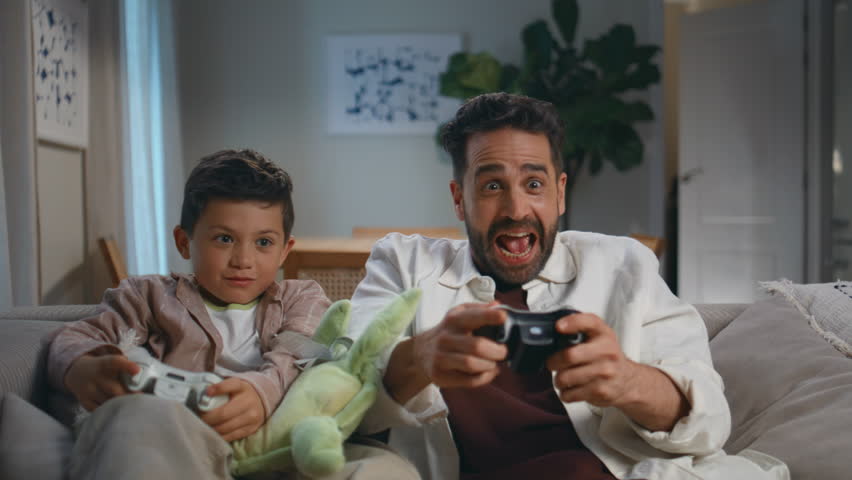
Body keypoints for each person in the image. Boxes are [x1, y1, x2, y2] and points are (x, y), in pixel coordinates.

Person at [347, 93, 789, 480]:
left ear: (560, 194)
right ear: (459, 198)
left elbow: (710, 423)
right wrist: (420, 357)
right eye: (492, 185)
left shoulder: (623, 264)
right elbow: (334, 396)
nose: (516, 209)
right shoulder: (403, 263)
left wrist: (626, 381)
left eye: (533, 184)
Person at [45, 149, 378, 480]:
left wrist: (262, 392)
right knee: (132, 422)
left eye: (263, 242)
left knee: (380, 466)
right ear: (184, 242)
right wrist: (81, 366)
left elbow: (301, 358)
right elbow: (74, 338)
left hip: (276, 449)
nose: (243, 260)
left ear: (284, 251)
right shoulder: (147, 296)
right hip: (183, 445)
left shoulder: (300, 298)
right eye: (224, 239)